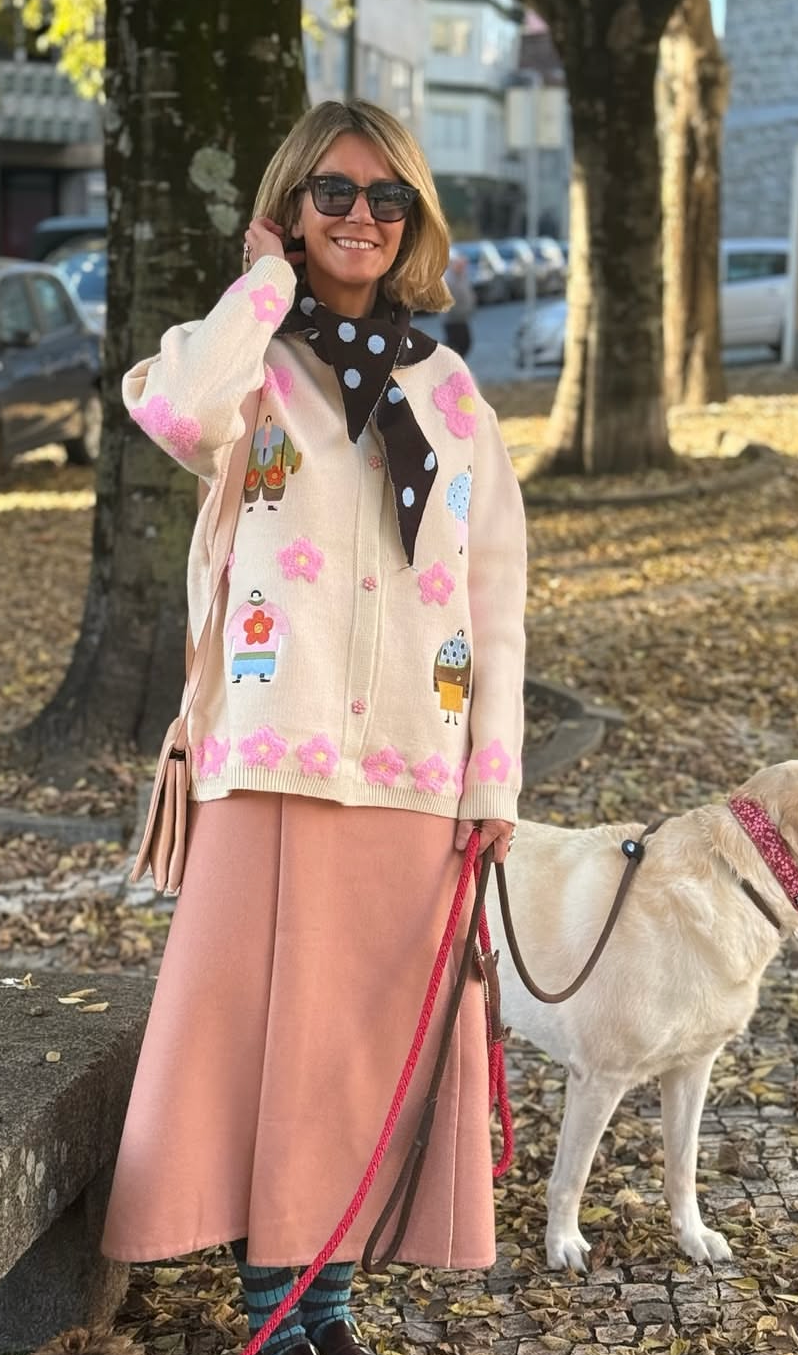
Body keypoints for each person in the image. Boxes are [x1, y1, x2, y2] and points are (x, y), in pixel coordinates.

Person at [100, 98, 527, 1355]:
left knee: (353, 1057)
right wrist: (261, 288)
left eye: (387, 198)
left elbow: (498, 596)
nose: (361, 216)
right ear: (291, 208)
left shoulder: (451, 395)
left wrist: (493, 778)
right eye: (333, 192)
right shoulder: (251, 364)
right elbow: (176, 415)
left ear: (413, 221)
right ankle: (272, 1312)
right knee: (258, 1044)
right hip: (268, 757)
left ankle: (322, 1306)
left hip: (412, 768)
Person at [442, 251, 476, 357]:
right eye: (460, 264)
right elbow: (448, 300)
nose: (463, 267)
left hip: (462, 317)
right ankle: (448, 362)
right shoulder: (449, 279)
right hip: (452, 319)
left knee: (464, 343)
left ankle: (452, 362)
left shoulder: (462, 276)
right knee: (456, 344)